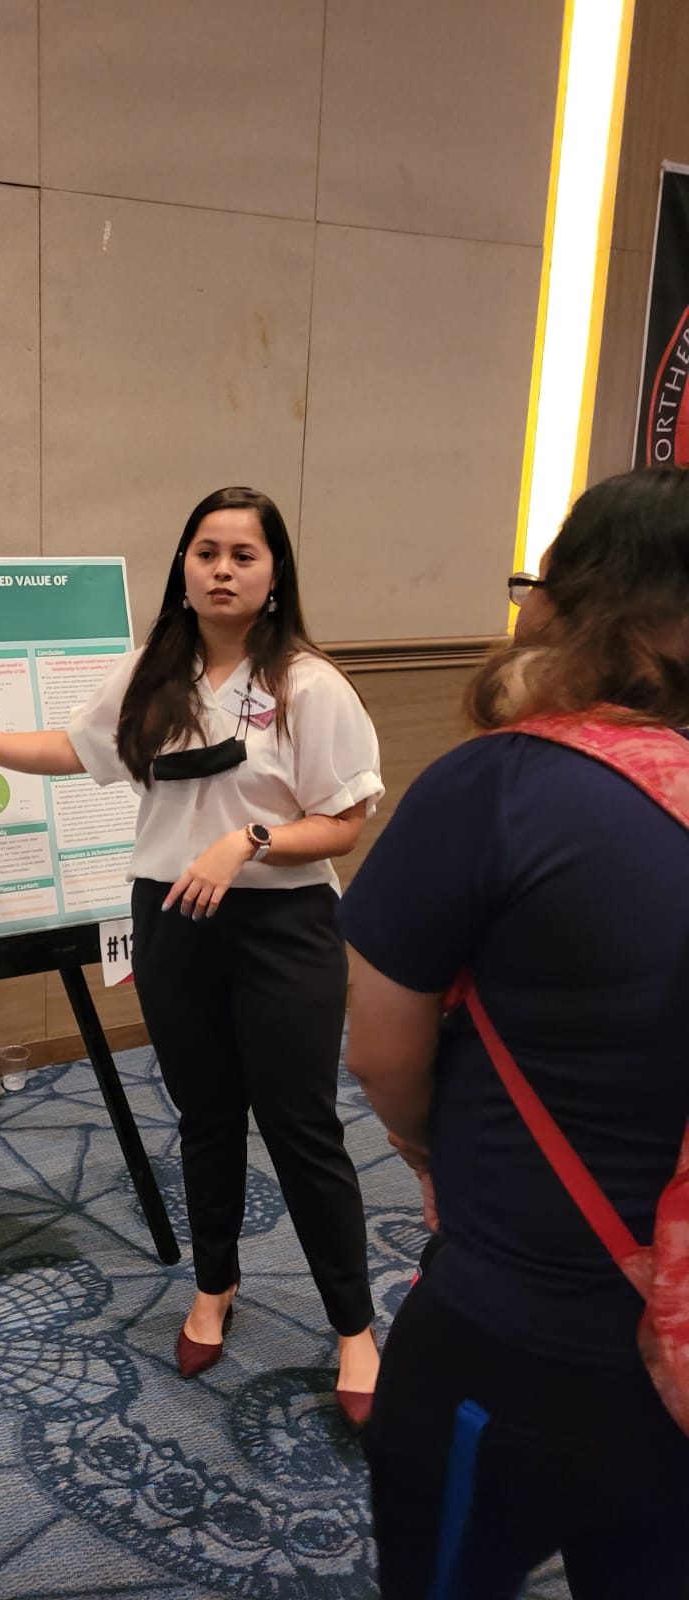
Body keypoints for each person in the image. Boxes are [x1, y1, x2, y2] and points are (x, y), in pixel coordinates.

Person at [0, 485, 383, 1412]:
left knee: (302, 1129)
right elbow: (72, 752)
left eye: (244, 554)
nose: (223, 569)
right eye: (207, 552)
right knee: (203, 1117)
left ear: (275, 575)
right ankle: (215, 1284)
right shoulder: (152, 669)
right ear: (183, 568)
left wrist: (250, 842)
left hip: (282, 929)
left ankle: (354, 1329)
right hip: (172, 918)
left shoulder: (308, 683)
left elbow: (345, 822)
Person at [341, 467, 689, 1598]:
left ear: (578, 600)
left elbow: (382, 1051)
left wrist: (432, 1144)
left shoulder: (503, 788)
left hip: (526, 1334)